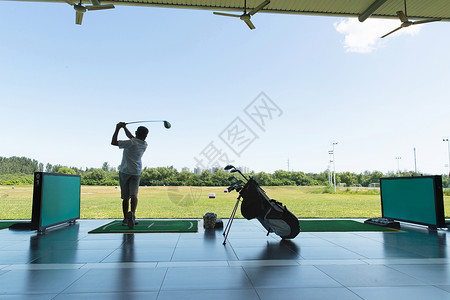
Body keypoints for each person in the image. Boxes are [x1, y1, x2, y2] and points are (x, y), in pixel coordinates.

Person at [111, 122, 149, 229]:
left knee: (125, 197)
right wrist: (124, 128)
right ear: (145, 136)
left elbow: (113, 142)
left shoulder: (131, 143)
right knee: (134, 195)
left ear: (136, 132)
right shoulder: (144, 144)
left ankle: (125, 219)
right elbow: (132, 137)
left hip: (125, 172)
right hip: (136, 172)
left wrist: (118, 128)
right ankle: (132, 215)